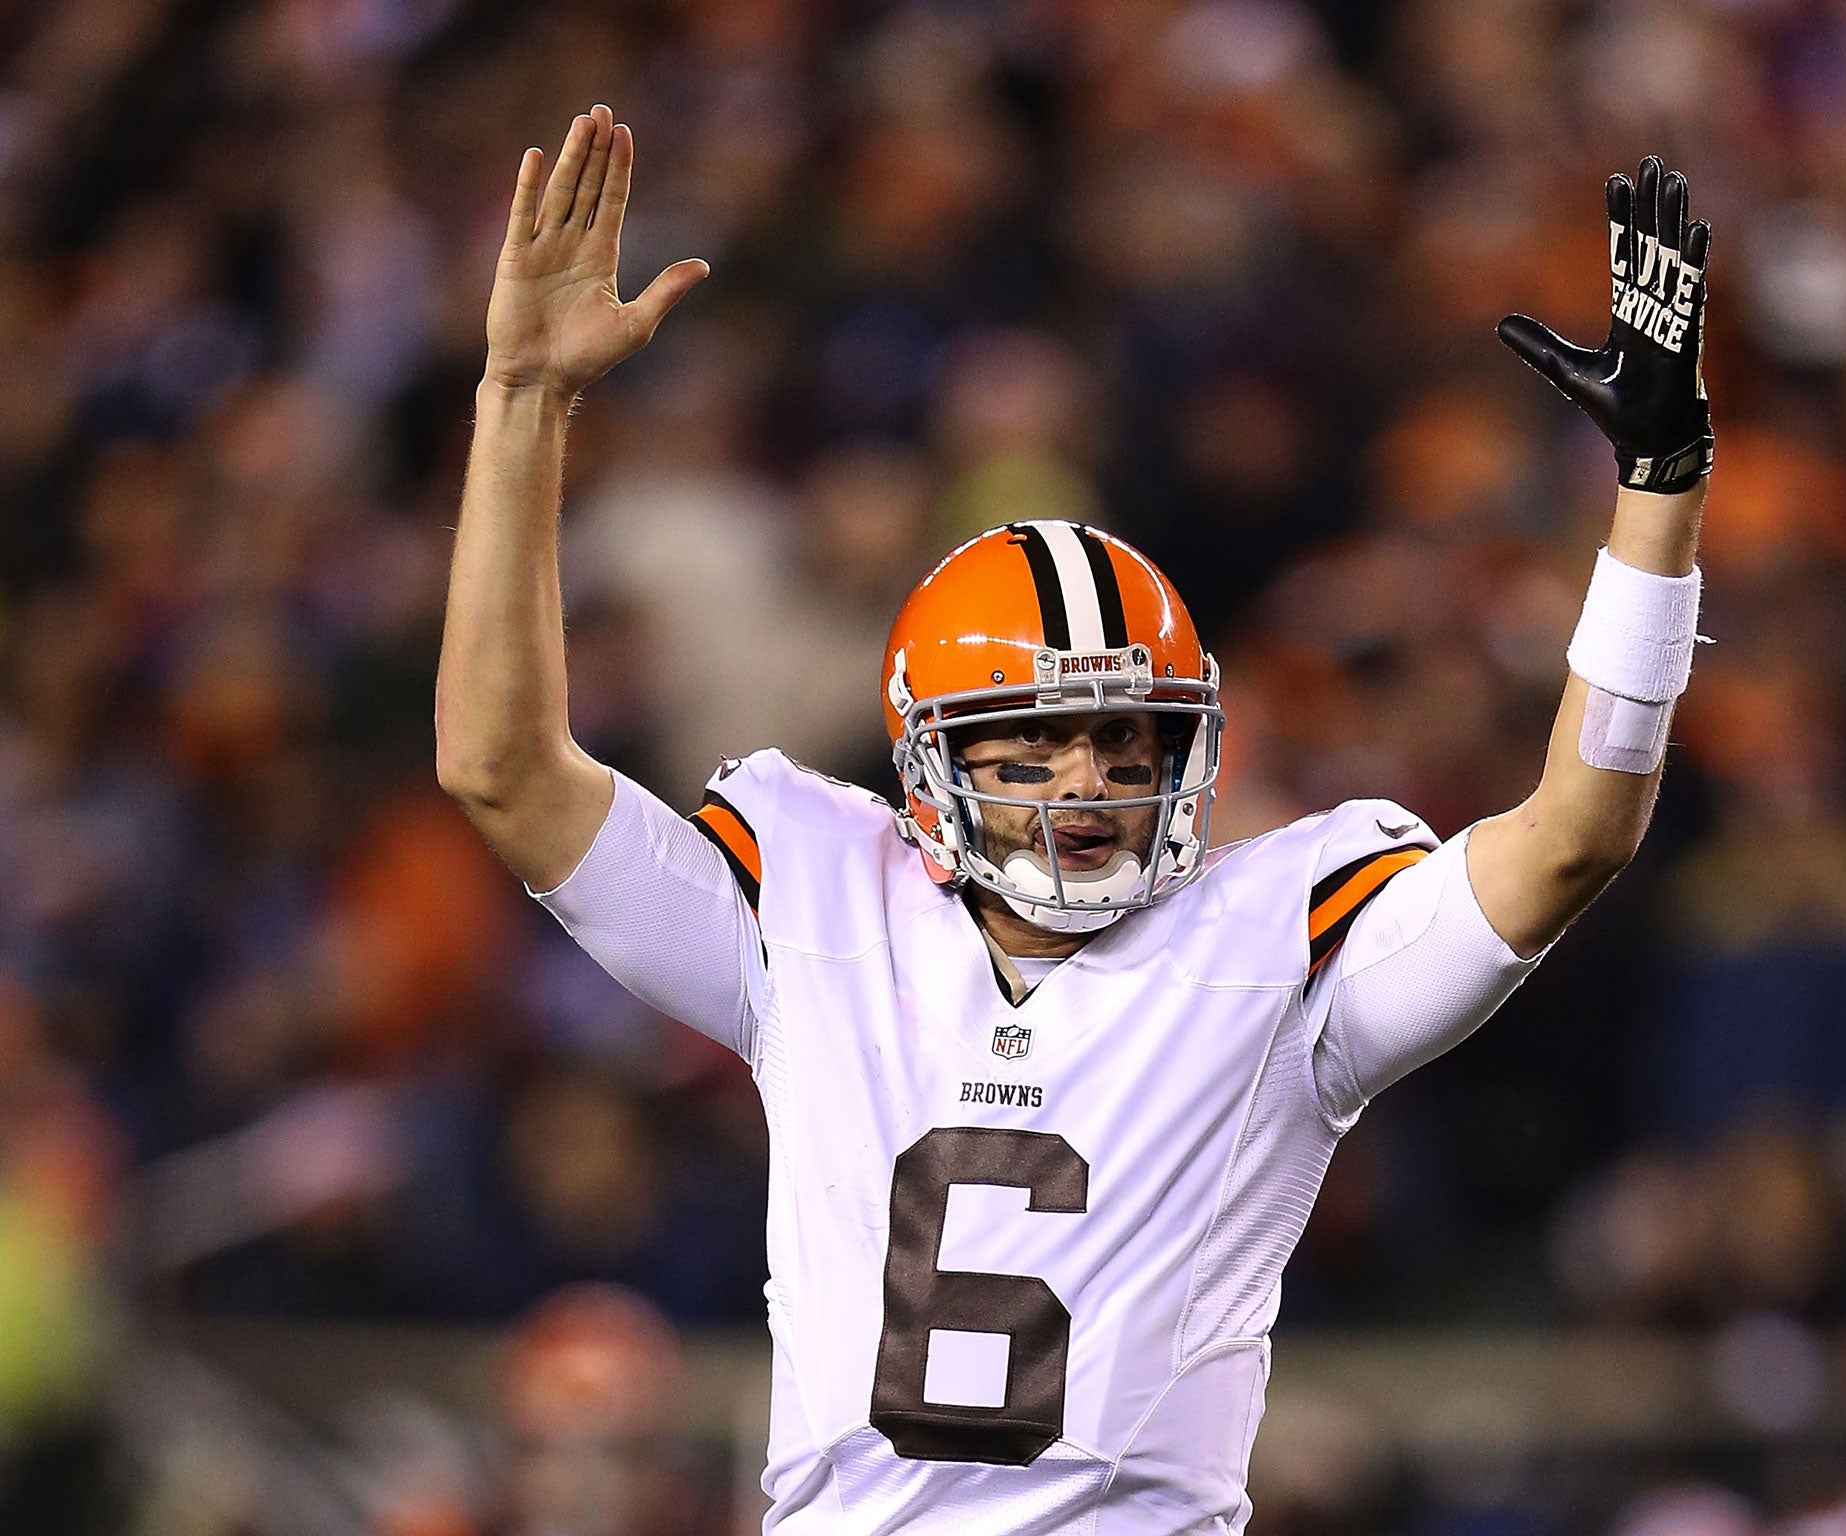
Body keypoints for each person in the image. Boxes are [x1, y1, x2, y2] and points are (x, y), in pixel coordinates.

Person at [437, 104, 1715, 1535]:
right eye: (1034, 745)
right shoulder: (816, 904)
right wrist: (522, 401)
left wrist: (1656, 500)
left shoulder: (1274, 943)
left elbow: (1576, 834)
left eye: (1123, 738)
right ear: (930, 762)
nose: (1087, 782)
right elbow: (501, 766)